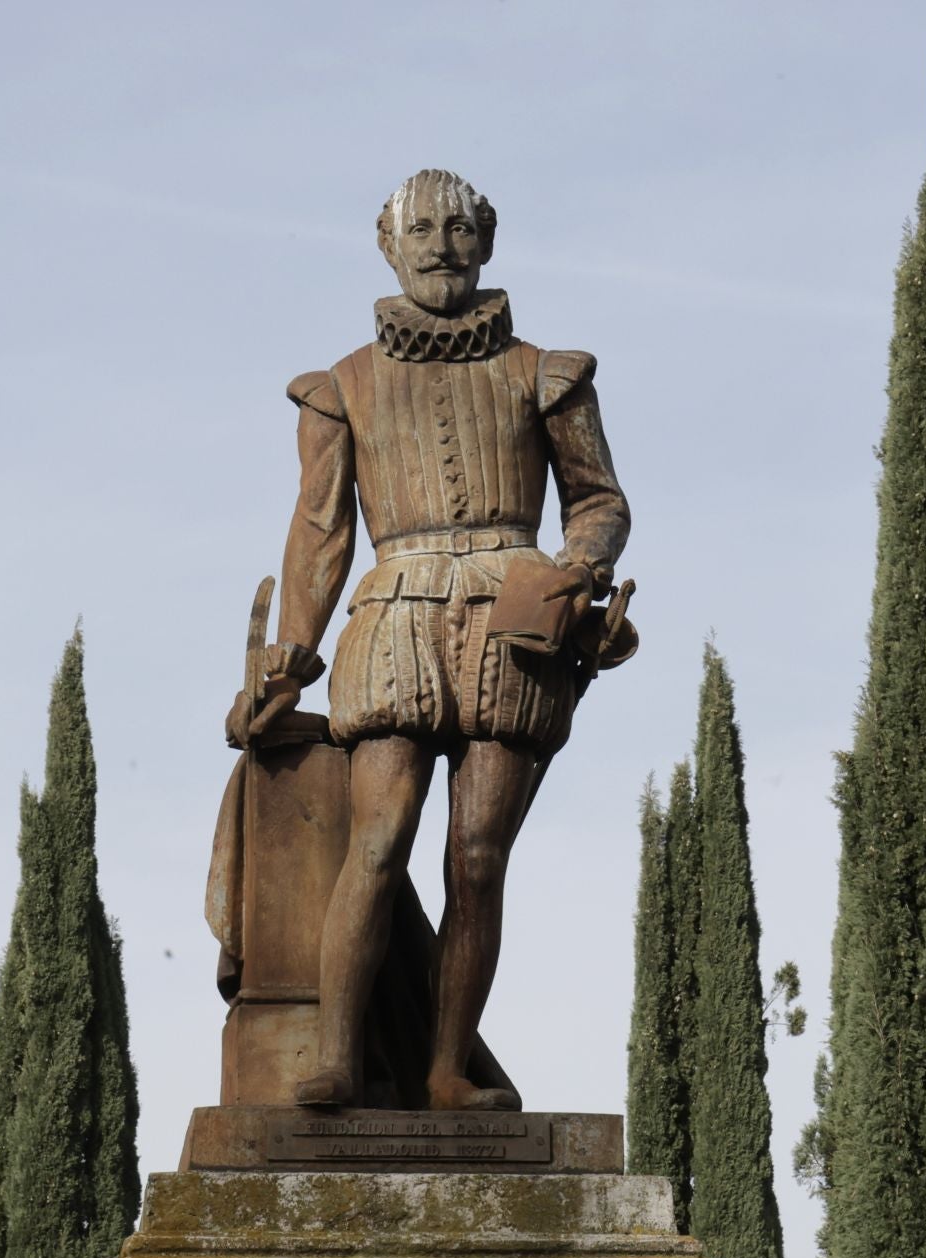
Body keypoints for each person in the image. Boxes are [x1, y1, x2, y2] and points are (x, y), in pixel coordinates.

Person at [227, 169, 631, 1111]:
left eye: (459, 227)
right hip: (397, 612)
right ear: (389, 244)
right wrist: (290, 654)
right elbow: (320, 533)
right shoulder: (342, 390)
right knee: (378, 838)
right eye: (422, 229)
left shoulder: (549, 373)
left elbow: (599, 499)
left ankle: (447, 1068)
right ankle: (334, 1057)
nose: (441, 243)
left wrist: (581, 565)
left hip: (514, 620)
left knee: (477, 858)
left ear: (485, 239)